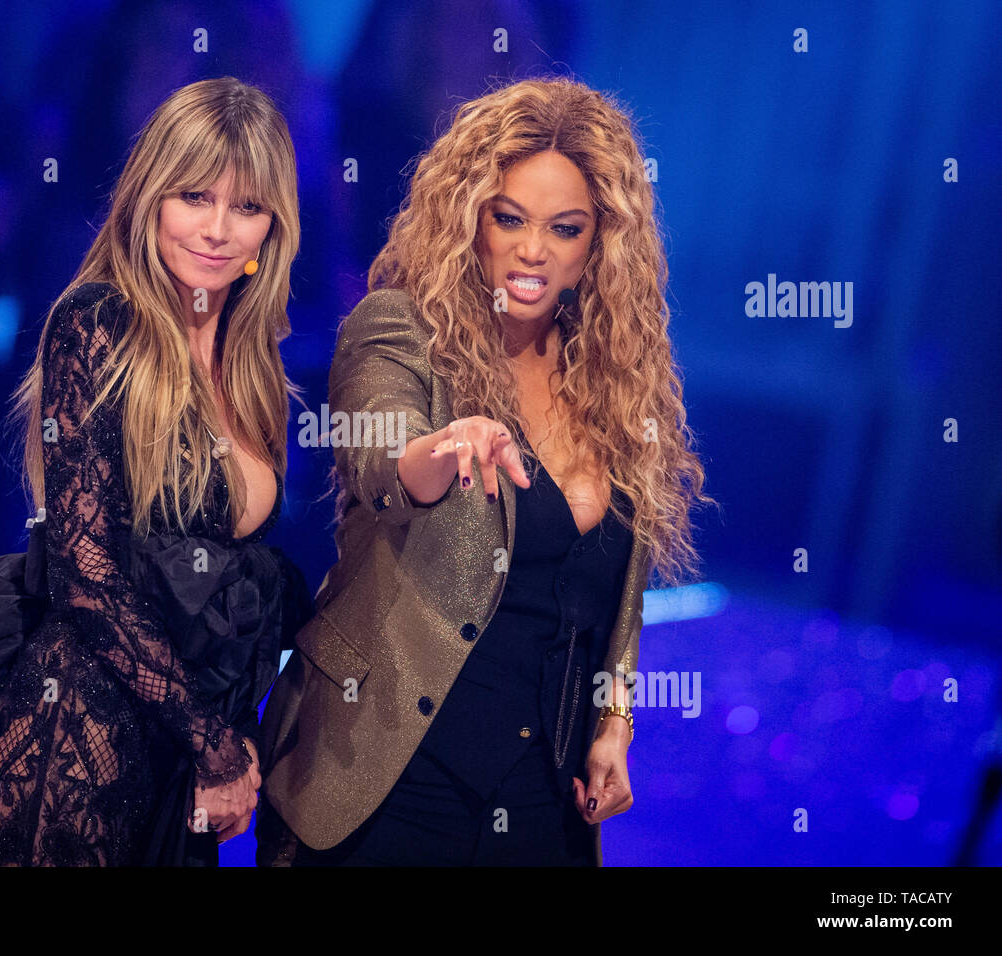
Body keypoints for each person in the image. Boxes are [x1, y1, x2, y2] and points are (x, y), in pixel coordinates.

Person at [0, 76, 311, 866]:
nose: (219, 229)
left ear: (274, 228)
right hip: (71, 735)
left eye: (248, 207)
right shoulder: (99, 322)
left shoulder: (256, 368)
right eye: (195, 196)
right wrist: (215, 743)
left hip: (175, 758)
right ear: (151, 197)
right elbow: (86, 571)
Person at [257, 75, 715, 866]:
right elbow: (379, 458)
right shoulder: (400, 327)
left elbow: (613, 597)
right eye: (510, 219)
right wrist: (443, 449)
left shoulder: (611, 378)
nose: (533, 249)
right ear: (472, 219)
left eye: (564, 229)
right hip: (388, 771)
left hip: (543, 793)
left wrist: (613, 723)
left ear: (596, 246)